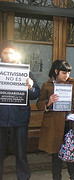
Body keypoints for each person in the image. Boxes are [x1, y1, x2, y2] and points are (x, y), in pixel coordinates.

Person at [36, 60, 74, 180]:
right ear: (56, 71)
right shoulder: (47, 85)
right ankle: (56, 177)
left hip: (70, 123)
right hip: (54, 125)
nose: (66, 75)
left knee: (72, 153)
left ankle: (73, 177)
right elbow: (39, 103)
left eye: (68, 73)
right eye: (64, 72)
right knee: (56, 154)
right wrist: (48, 102)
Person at [0, 42, 40, 180]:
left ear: (16, 54)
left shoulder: (25, 72)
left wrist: (31, 87)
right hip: (1, 118)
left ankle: (23, 178)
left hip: (20, 119)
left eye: (11, 53)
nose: (8, 56)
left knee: (21, 153)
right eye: (5, 52)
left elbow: (35, 94)